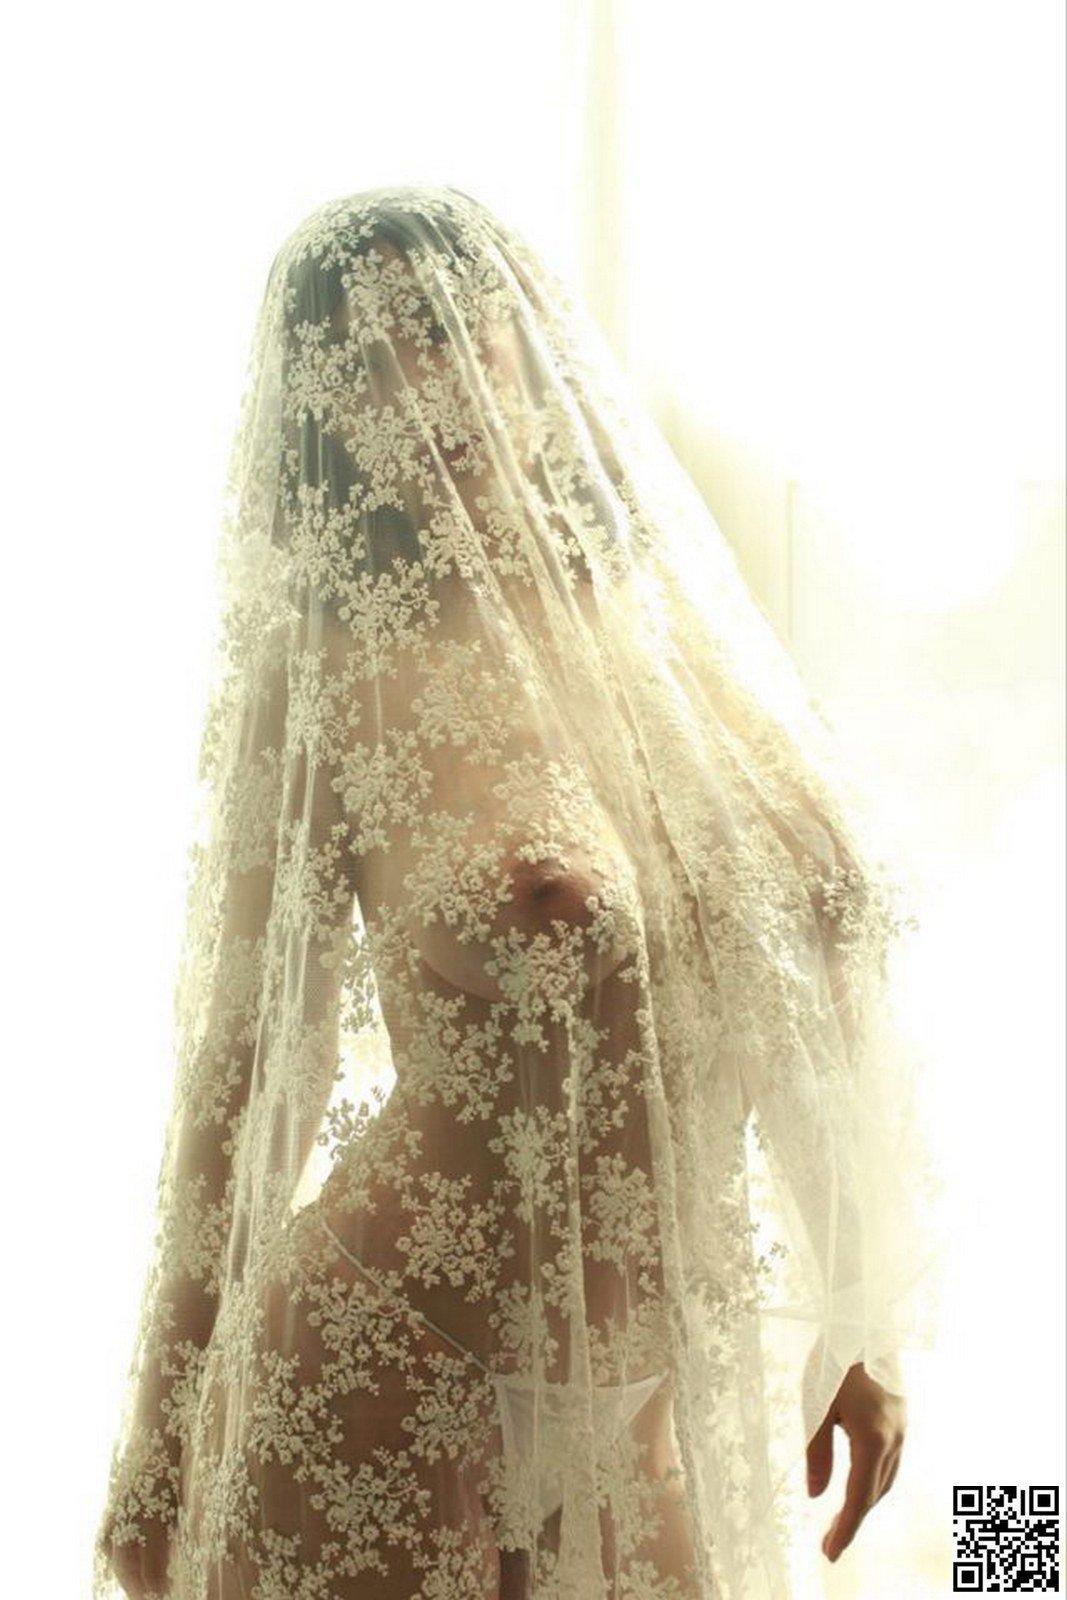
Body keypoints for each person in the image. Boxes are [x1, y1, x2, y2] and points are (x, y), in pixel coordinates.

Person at [92, 185, 937, 1600]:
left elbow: (811, 955)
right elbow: (247, 1073)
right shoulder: (331, 672)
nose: (417, 384)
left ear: (525, 343)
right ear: (326, 419)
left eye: (439, 328)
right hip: (387, 1369)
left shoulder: (679, 632)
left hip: (652, 1405)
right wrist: (160, 1451)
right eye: (365, 359)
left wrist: (863, 1321)